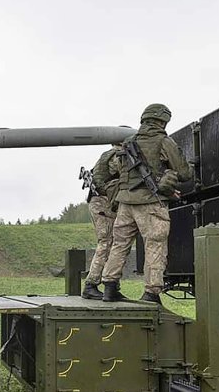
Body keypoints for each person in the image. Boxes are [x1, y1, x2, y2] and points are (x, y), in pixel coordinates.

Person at [101, 104, 192, 304]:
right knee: (155, 245)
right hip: (151, 202)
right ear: (163, 121)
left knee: (119, 244)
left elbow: (118, 170)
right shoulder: (164, 141)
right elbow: (185, 173)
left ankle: (109, 287)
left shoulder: (127, 142)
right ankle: (151, 293)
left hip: (125, 202)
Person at [81, 143, 122, 299]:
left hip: (100, 201)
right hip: (103, 202)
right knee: (106, 243)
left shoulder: (108, 155)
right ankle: (91, 284)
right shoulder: (117, 156)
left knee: (110, 243)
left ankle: (108, 285)